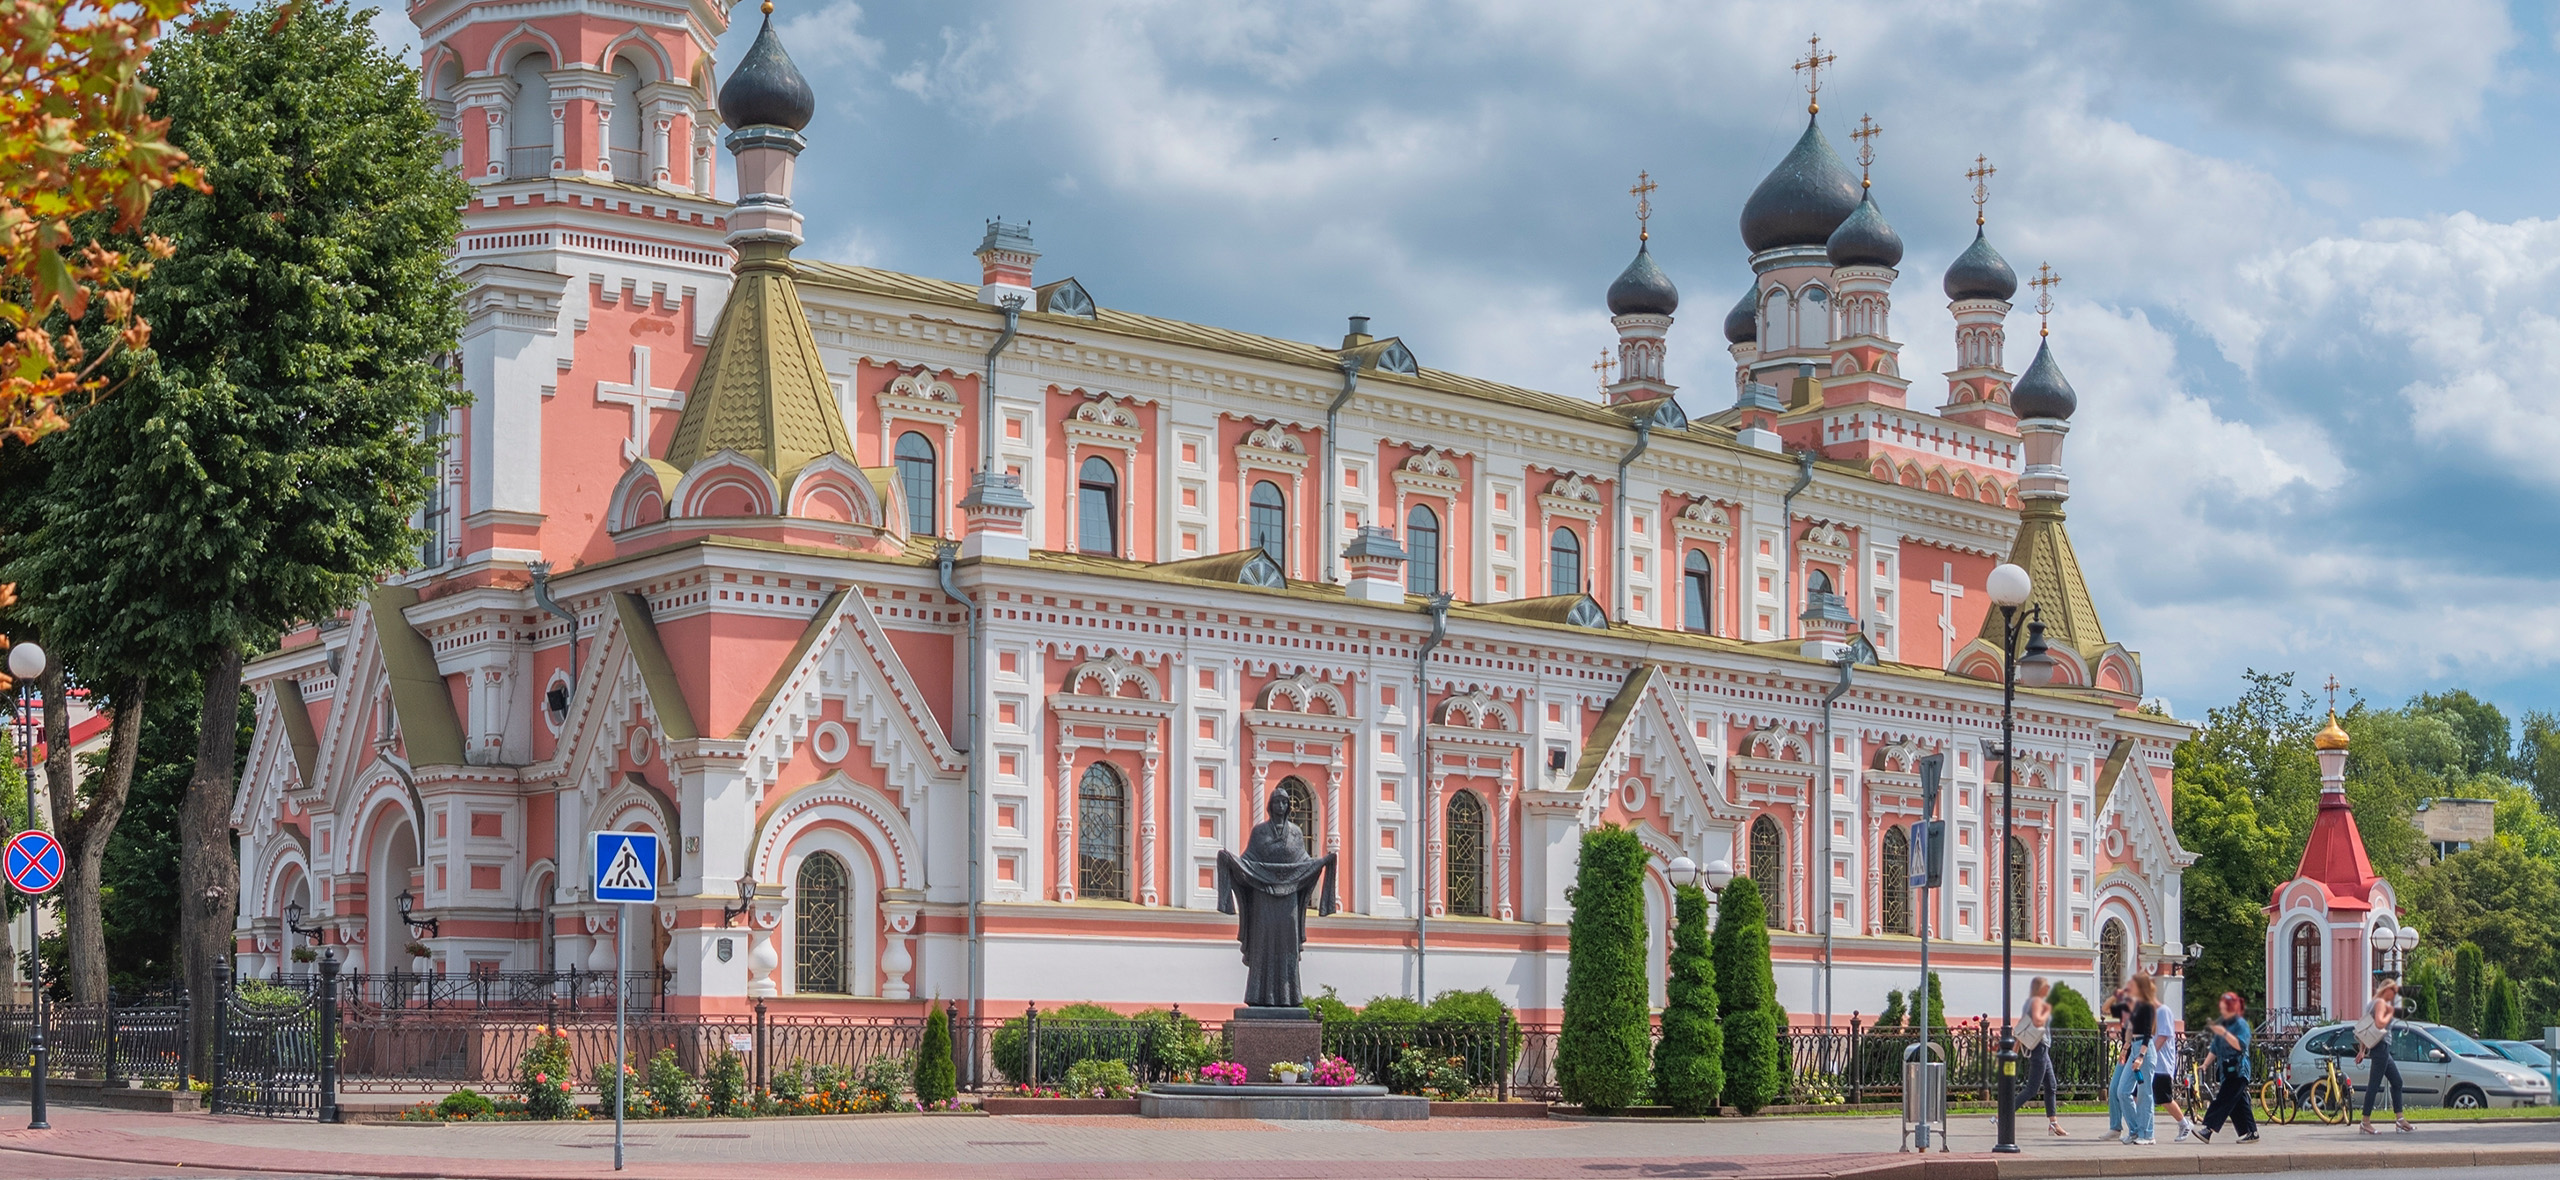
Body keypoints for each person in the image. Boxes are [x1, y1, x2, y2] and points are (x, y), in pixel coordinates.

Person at [2196, 991, 2259, 1144]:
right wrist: (2205, 1064)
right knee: (2238, 1103)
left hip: (2239, 1070)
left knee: (2223, 1099)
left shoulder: (2240, 1024)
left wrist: (2224, 1033)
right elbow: (2215, 1048)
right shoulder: (2223, 1023)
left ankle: (2207, 1130)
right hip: (2227, 1071)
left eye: (2225, 1007)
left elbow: (2240, 1045)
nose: (2222, 1010)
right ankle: (2251, 1132)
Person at [2355, 977, 2413, 1134]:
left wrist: (2362, 1050)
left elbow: (2365, 1028)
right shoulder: (2380, 1003)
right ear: (2386, 990)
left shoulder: (2372, 1003)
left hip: (2381, 1049)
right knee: (2373, 1085)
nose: (2394, 995)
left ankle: (2400, 1120)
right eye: (2393, 992)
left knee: (2397, 1081)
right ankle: (2365, 1122)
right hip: (2381, 1048)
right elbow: (2380, 1024)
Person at [2016, 977, 2065, 1137]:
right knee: (2032, 1089)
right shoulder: (2036, 1001)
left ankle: (2053, 1123)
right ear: (2039, 988)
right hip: (2039, 1048)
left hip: (2042, 1048)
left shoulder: (2030, 1002)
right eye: (2046, 985)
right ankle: (2003, 1114)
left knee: (2051, 1085)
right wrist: (2047, 1011)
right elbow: (2037, 1022)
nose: (2049, 988)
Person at [2120, 974, 2161, 1145]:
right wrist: (2125, 1048)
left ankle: (2148, 1134)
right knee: (2122, 1091)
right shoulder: (2136, 1005)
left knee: (2145, 1094)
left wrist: (2141, 1056)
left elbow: (2147, 1033)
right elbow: (2130, 1028)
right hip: (2134, 1049)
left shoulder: (2148, 1006)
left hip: (2145, 1051)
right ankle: (2135, 1130)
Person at [2104, 984, 2136, 1139]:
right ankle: (2115, 1128)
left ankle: (2137, 1129)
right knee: (2114, 1089)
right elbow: (2105, 1008)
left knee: (2126, 1092)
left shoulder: (2139, 1010)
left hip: (2135, 1054)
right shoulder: (2123, 1008)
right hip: (2125, 1054)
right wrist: (2115, 996)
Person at [2157, 1015, 2194, 1142]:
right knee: (2137, 1096)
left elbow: (2163, 1037)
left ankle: (2184, 1123)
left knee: (2164, 1098)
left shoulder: (2162, 1011)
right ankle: (2137, 1129)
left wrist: (2146, 1053)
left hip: (2162, 1067)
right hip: (2154, 1065)